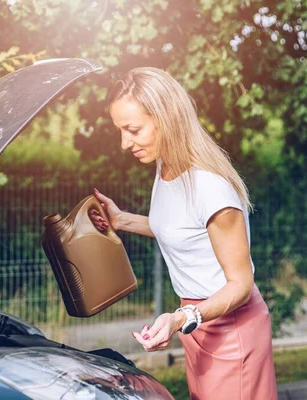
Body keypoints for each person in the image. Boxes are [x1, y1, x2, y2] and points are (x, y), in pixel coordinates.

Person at [89, 67, 277, 400]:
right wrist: (122, 220)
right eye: (120, 130)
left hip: (229, 327)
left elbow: (241, 285)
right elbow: (183, 230)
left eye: (132, 130)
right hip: (197, 322)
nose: (123, 143)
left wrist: (183, 317)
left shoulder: (211, 188)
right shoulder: (166, 166)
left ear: (166, 118)